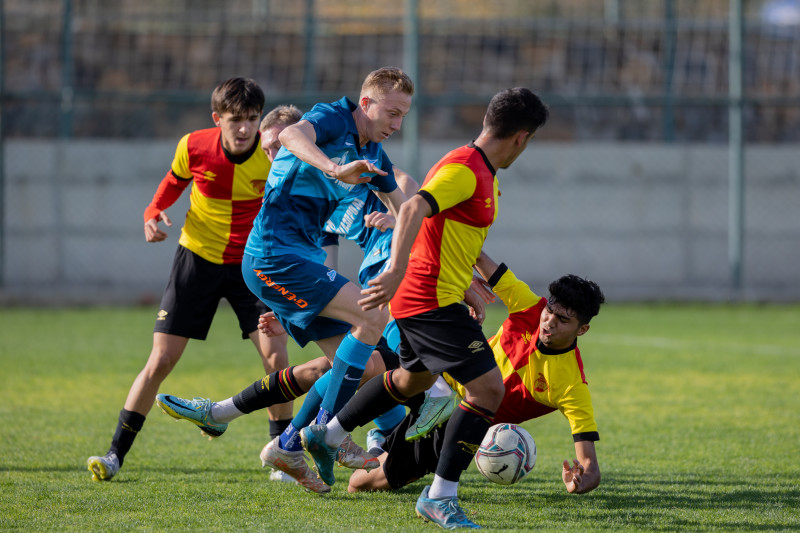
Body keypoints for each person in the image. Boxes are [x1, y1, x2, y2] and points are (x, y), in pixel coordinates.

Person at [300, 87, 549, 529]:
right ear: (521, 138)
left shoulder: (477, 169)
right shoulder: (467, 169)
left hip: (434, 294)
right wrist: (395, 269)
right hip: (430, 299)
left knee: (413, 377)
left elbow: (445, 231)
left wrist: (469, 281)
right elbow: (414, 205)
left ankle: (329, 432)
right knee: (488, 391)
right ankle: (440, 497)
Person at [86, 79, 292, 482]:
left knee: (276, 357)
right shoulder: (194, 146)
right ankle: (114, 454)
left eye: (252, 119)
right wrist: (152, 211)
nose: (245, 128)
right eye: (236, 120)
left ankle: (283, 456)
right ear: (218, 119)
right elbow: (173, 182)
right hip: (196, 260)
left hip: (253, 265)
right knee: (161, 359)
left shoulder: (276, 154)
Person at [240, 67, 415, 493]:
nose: (397, 124)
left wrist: (406, 225)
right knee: (373, 315)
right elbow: (289, 137)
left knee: (368, 364)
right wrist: (335, 169)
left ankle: (287, 444)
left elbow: (408, 205)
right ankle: (324, 431)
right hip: (273, 255)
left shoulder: (374, 156)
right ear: (366, 103)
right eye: (391, 113)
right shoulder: (333, 117)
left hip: (297, 262)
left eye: (403, 116)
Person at [348, 253, 604, 498]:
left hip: (457, 424)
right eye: (549, 311)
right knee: (365, 365)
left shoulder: (571, 385)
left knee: (359, 484)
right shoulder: (529, 305)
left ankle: (383, 439)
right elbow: (479, 256)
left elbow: (590, 465)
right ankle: (328, 430)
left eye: (562, 320)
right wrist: (461, 273)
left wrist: (580, 482)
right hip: (438, 376)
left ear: (582, 329)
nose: (548, 322)